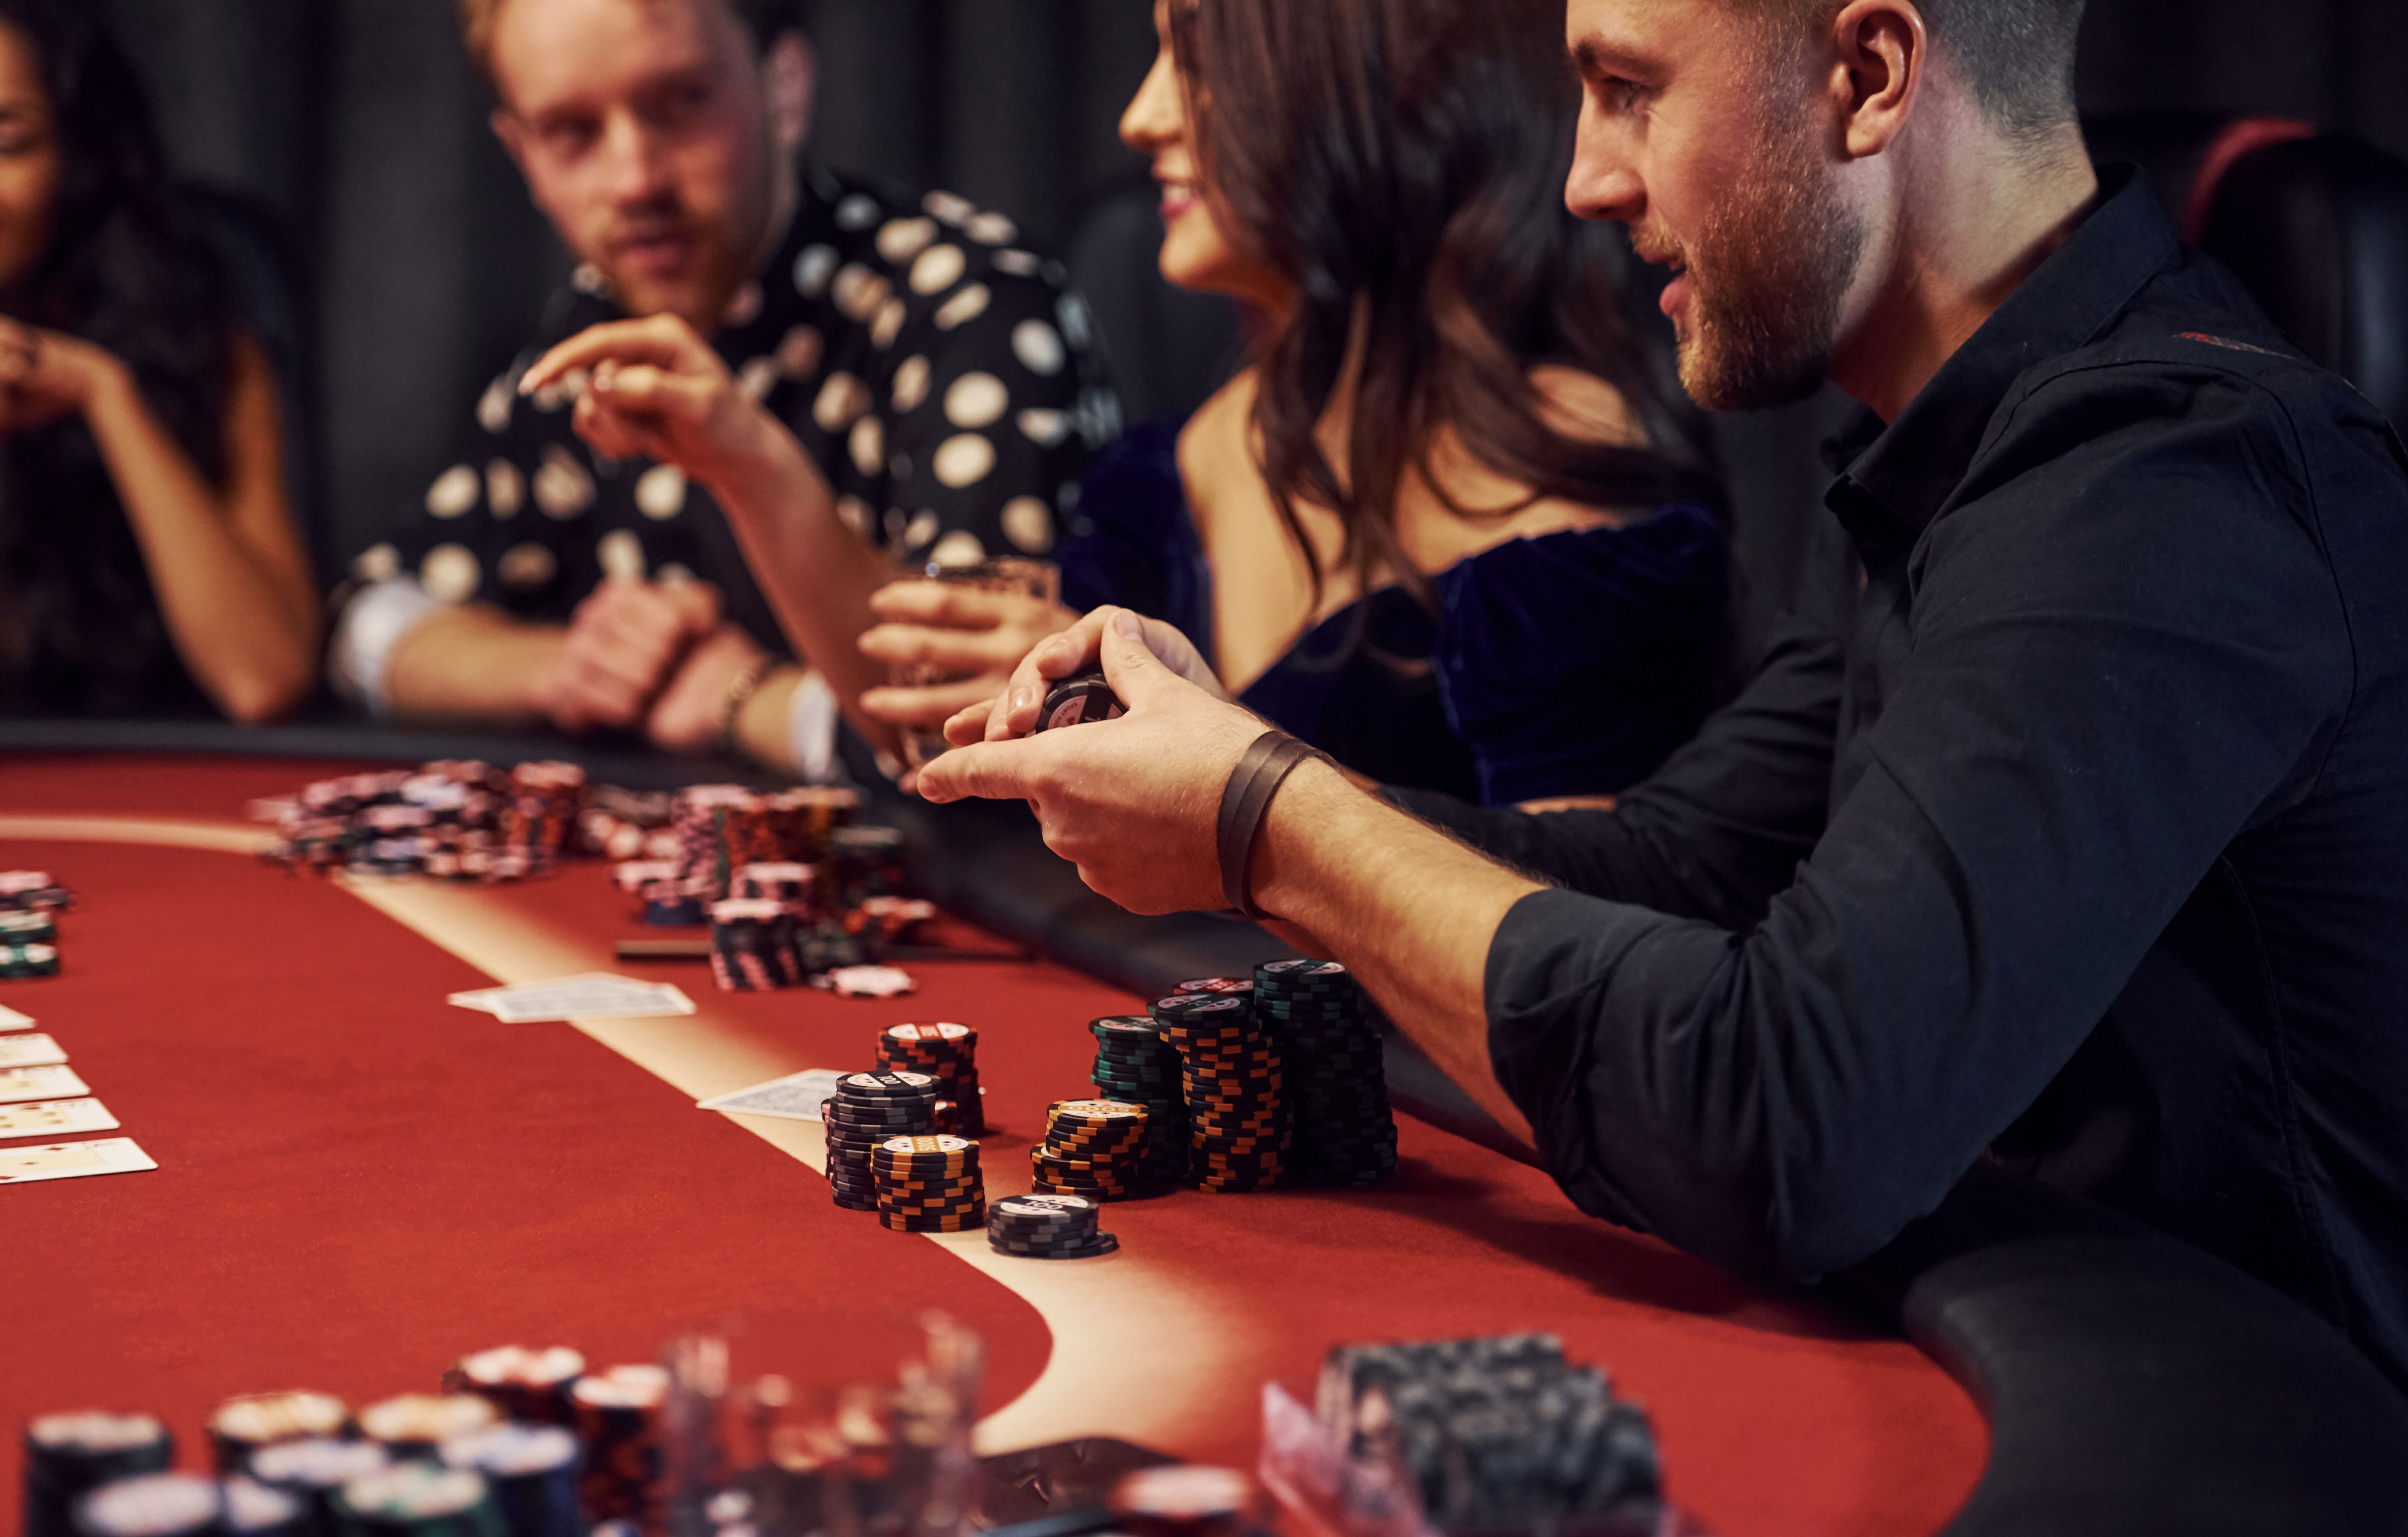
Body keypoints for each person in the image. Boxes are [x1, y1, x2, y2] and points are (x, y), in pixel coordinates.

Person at [921, 0, 2408, 1389]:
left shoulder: (2159, 486)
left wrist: (1265, 827)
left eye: (1626, 90)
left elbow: (1788, 1125)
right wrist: (1236, 761)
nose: (1582, 180)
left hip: (2240, 1434)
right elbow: (1670, 867)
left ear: (1869, 77)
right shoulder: (1963, 462)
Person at [853, 0, 1728, 807]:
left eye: (1197, 57)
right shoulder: (1204, 445)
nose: (1141, 117)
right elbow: (940, 761)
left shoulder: (1567, 468)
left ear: (1375, 80)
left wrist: (1211, 759)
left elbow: (1570, 927)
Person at [332, 0, 1115, 775]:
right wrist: (563, 666)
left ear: (785, 87)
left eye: (682, 102)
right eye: (573, 132)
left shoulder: (975, 305)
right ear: (522, 153)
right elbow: (367, 622)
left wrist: (740, 695)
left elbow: (979, 729)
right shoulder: (595, 321)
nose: (634, 179)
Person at [0, 0, 317, 724]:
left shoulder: (198, 328)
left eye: (6, 145)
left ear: (78, 158)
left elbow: (263, 679)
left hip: (142, 781)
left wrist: (104, 395)